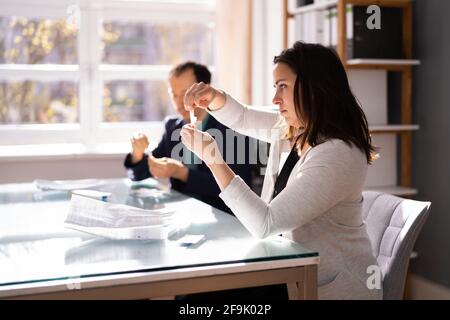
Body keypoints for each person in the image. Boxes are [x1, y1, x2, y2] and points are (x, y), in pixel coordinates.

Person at [180, 42, 383, 300]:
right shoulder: (295, 129)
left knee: (198, 297)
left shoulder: (337, 154)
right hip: (290, 272)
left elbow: (265, 223)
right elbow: (242, 117)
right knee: (196, 292)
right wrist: (214, 96)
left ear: (313, 88)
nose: (275, 99)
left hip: (335, 288)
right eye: (275, 87)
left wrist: (213, 160)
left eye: (283, 86)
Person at [124, 62, 253, 213]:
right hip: (181, 214)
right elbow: (140, 174)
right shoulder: (173, 127)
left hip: (222, 217)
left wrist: (181, 172)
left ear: (205, 91)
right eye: (174, 94)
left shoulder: (232, 128)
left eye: (186, 93)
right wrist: (137, 154)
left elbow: (239, 189)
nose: (179, 102)